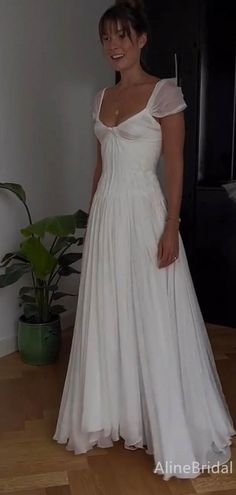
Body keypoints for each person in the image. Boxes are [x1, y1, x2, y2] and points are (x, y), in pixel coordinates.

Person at [53, 0, 236, 481]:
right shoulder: (100, 99)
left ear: (141, 39)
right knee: (109, 310)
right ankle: (114, 413)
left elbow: (174, 164)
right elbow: (100, 165)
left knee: (154, 310)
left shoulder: (164, 93)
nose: (113, 46)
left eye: (121, 36)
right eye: (106, 38)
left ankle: (168, 422)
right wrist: (92, 218)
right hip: (110, 216)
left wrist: (172, 224)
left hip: (147, 214)